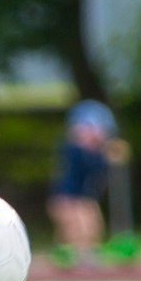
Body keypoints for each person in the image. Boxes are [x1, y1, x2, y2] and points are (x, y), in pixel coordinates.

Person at [48, 100, 120, 266]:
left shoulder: (97, 154)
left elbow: (98, 170)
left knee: (93, 226)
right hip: (67, 197)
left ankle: (84, 255)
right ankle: (73, 256)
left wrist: (108, 156)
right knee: (75, 227)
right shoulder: (72, 149)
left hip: (84, 197)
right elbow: (80, 160)